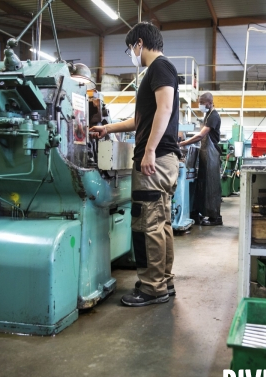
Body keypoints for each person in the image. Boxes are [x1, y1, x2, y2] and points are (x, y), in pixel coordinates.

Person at [90, 22, 181, 307]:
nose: (132, 53)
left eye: (131, 48)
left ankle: (152, 288)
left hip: (156, 160)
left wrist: (149, 150)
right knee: (161, 223)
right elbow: (141, 119)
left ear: (139, 43)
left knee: (147, 224)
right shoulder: (157, 72)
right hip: (163, 160)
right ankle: (163, 281)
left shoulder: (160, 68)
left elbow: (165, 109)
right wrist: (109, 129)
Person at [179, 92, 223, 226]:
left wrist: (182, 143)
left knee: (211, 186)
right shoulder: (208, 115)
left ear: (209, 103)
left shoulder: (213, 116)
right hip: (206, 153)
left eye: (202, 103)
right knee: (204, 185)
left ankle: (215, 218)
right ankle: (205, 214)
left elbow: (200, 136)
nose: (200, 105)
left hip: (211, 154)